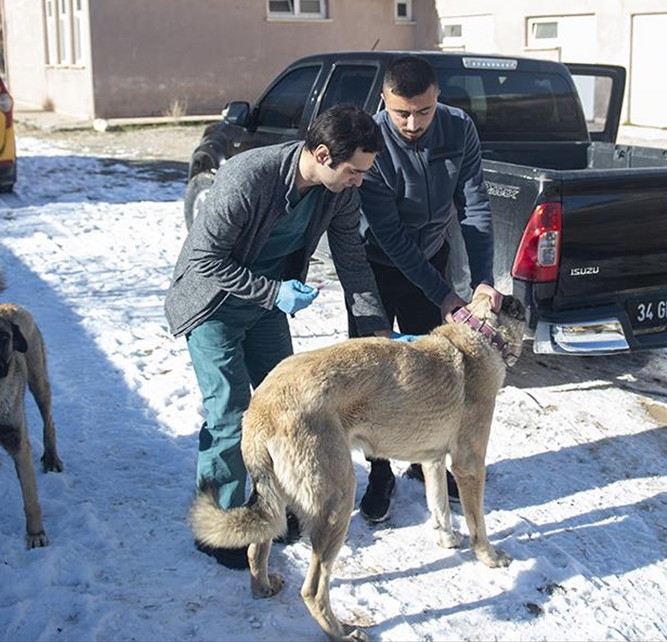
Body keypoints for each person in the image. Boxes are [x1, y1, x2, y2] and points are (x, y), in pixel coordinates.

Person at [165, 104, 391, 569]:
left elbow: (352, 259)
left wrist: (377, 328)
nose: (359, 180)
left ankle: (274, 509)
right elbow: (205, 258)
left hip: (266, 305)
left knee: (288, 410)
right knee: (229, 415)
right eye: (354, 170)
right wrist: (272, 291)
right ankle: (221, 527)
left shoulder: (339, 192)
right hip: (213, 306)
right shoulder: (250, 176)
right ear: (324, 154)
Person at [347, 55, 503, 523]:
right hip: (375, 267)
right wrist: (445, 296)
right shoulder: (369, 143)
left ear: (438, 100)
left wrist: (481, 278)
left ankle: (427, 460)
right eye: (402, 113)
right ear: (384, 103)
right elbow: (390, 237)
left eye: (424, 111)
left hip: (431, 257)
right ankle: (379, 475)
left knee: (430, 373)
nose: (413, 123)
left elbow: (475, 204)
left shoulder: (459, 128)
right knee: (374, 373)